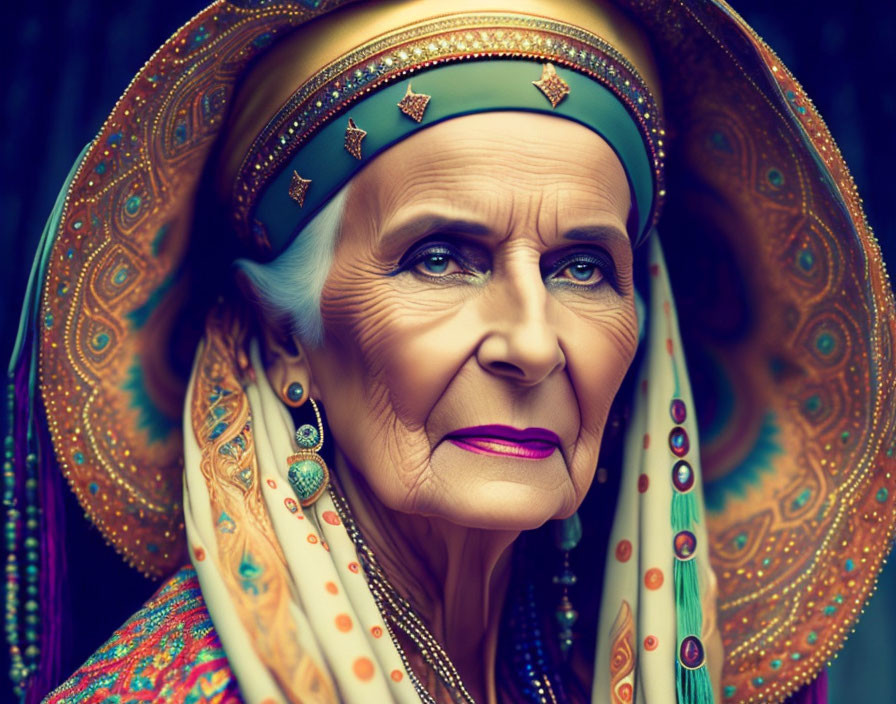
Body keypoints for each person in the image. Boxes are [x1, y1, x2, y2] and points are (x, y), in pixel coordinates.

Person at [4, 0, 894, 702]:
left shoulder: (568, 672)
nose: (533, 343)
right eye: (439, 259)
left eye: (583, 269)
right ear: (284, 339)